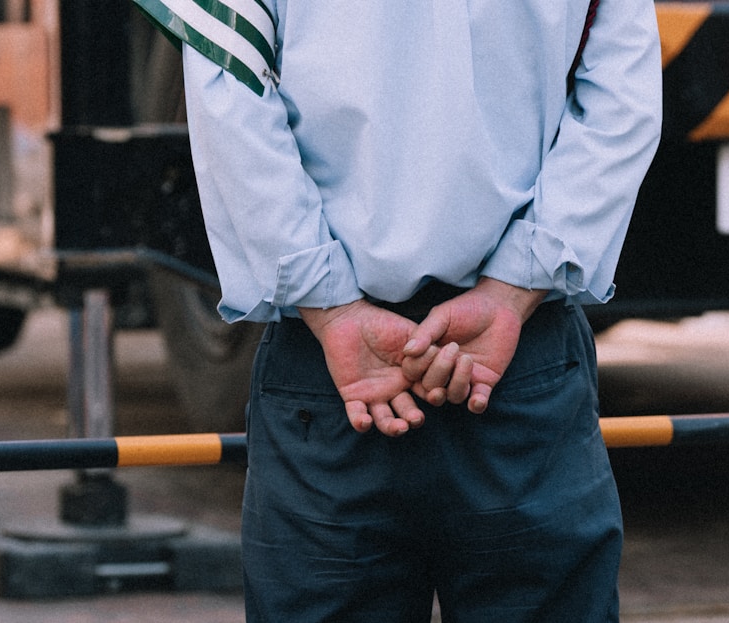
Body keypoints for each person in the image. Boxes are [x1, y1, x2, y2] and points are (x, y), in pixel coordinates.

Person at [133, 0, 662, 620]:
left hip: (330, 381)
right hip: (521, 364)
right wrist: (515, 286)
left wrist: (329, 305)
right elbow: (621, 94)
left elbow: (233, 91)